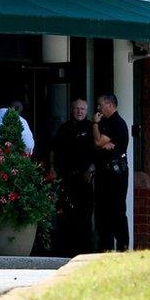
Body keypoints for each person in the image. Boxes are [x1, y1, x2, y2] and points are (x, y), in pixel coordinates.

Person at [51, 98, 94, 255]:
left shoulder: (91, 128)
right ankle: (65, 250)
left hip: (84, 179)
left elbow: (97, 152)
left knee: (84, 214)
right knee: (65, 213)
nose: (80, 111)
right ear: (71, 109)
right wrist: (52, 168)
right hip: (66, 178)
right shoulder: (64, 128)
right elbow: (54, 149)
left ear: (86, 111)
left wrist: (91, 170)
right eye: (77, 108)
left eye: (83, 109)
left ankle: (84, 251)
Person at [92, 93, 129, 251]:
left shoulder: (117, 123)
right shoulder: (106, 122)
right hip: (104, 173)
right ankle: (105, 246)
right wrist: (100, 144)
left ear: (110, 104)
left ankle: (122, 246)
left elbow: (98, 141)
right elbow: (97, 145)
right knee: (103, 209)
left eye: (101, 105)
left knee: (117, 209)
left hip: (116, 173)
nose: (98, 108)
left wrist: (94, 124)